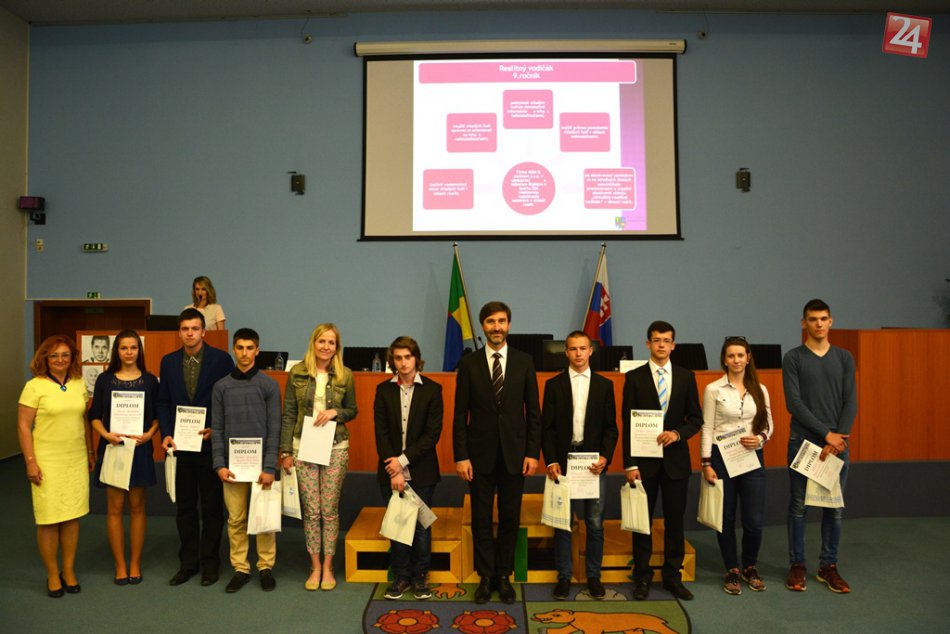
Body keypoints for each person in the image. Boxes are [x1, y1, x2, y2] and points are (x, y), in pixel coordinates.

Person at [453, 301, 541, 605]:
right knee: (480, 517)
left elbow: (534, 412)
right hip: (478, 456)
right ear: (483, 326)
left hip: (516, 454)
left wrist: (532, 452)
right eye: (490, 322)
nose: (496, 327)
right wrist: (461, 456)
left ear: (509, 325)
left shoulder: (525, 361)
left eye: (502, 321)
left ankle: (504, 575)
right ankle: (486, 576)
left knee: (509, 517)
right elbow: (460, 414)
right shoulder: (469, 364)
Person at [622, 320, 702, 601]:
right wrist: (630, 464)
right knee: (642, 523)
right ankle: (642, 577)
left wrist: (678, 434)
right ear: (648, 344)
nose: (661, 345)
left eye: (666, 340)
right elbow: (627, 422)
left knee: (675, 523)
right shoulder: (634, 378)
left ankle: (672, 577)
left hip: (676, 462)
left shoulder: (686, 377)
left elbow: (696, 419)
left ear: (673, 345)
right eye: (656, 340)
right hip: (644, 464)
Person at [783, 299, 857, 593]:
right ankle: (798, 565)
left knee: (834, 509)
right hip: (803, 443)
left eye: (823, 318)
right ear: (804, 323)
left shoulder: (844, 358)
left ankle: (829, 567)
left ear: (831, 321)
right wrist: (826, 435)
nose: (819, 324)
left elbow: (850, 401)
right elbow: (794, 403)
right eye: (813, 319)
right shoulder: (793, 358)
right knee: (799, 507)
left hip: (838, 444)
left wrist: (838, 439)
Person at [158, 308, 235, 586]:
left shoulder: (221, 360)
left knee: (212, 508)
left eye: (194, 328)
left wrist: (217, 427)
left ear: (204, 331)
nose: (190, 333)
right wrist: (166, 433)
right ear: (179, 333)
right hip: (180, 446)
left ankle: (210, 563)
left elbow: (229, 399)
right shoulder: (168, 362)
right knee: (186, 508)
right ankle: (188, 563)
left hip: (210, 446)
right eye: (185, 329)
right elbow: (163, 402)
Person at [280, 323, 357, 591]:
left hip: (336, 447)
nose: (326, 346)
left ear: (337, 347)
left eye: (331, 342)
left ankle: (328, 566)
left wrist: (336, 412)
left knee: (329, 510)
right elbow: (289, 413)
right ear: (313, 343)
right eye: (321, 341)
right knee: (312, 511)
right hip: (304, 447)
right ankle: (315, 566)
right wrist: (286, 451)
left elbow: (352, 410)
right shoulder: (297, 373)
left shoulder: (345, 375)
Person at [541, 330, 618, 600]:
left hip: (593, 464)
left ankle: (593, 576)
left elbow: (611, 428)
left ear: (590, 351)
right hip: (564, 464)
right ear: (566, 352)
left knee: (594, 523)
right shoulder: (554, 385)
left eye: (582, 348)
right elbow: (547, 428)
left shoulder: (604, 385)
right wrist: (551, 460)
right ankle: (564, 577)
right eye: (573, 349)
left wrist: (605, 457)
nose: (578, 353)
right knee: (563, 524)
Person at [17, 335, 95, 598]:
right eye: (54, 355)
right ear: (44, 358)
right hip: (47, 460)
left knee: (72, 516)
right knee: (49, 519)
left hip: (75, 458)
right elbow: (23, 426)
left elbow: (84, 420)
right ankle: (52, 573)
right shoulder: (34, 386)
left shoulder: (78, 383)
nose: (60, 360)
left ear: (72, 358)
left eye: (65, 355)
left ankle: (68, 570)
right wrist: (30, 461)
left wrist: (90, 451)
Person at [701, 337, 774, 595]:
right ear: (724, 359)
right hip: (721, 459)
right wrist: (706, 462)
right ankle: (731, 568)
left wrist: (761, 438)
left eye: (740, 355)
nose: (736, 360)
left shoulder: (760, 389)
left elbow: (768, 423)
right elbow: (707, 427)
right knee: (726, 518)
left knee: (754, 520)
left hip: (752, 458)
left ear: (748, 357)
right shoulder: (713, 389)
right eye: (731, 356)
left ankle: (749, 567)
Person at [212, 328, 282, 593]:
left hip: (261, 467)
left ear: (257, 350)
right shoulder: (221, 387)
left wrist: (269, 467)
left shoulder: (269, 385)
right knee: (236, 519)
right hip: (232, 468)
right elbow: (217, 429)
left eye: (249, 348)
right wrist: (219, 464)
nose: (244, 353)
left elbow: (274, 429)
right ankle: (240, 568)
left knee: (264, 518)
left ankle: (265, 567)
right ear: (233, 349)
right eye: (240, 348)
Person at [374, 336, 444, 601]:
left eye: (408, 357)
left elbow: (432, 434)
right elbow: (381, 433)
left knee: (421, 528)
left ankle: (420, 576)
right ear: (392, 361)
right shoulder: (383, 390)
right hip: (390, 471)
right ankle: (401, 576)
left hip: (422, 470)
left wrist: (402, 462)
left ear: (416, 358)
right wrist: (394, 470)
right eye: (398, 358)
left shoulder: (432, 390)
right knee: (398, 525)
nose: (403, 363)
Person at [88, 329, 160, 586]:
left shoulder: (150, 381)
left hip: (139, 450)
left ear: (139, 351)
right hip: (114, 449)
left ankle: (135, 563)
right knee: (115, 508)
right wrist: (105, 434)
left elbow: (157, 417)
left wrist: (149, 434)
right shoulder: (105, 380)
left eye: (133, 347)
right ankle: (120, 565)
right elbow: (94, 415)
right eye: (124, 348)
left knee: (138, 508)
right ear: (116, 351)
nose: (129, 352)